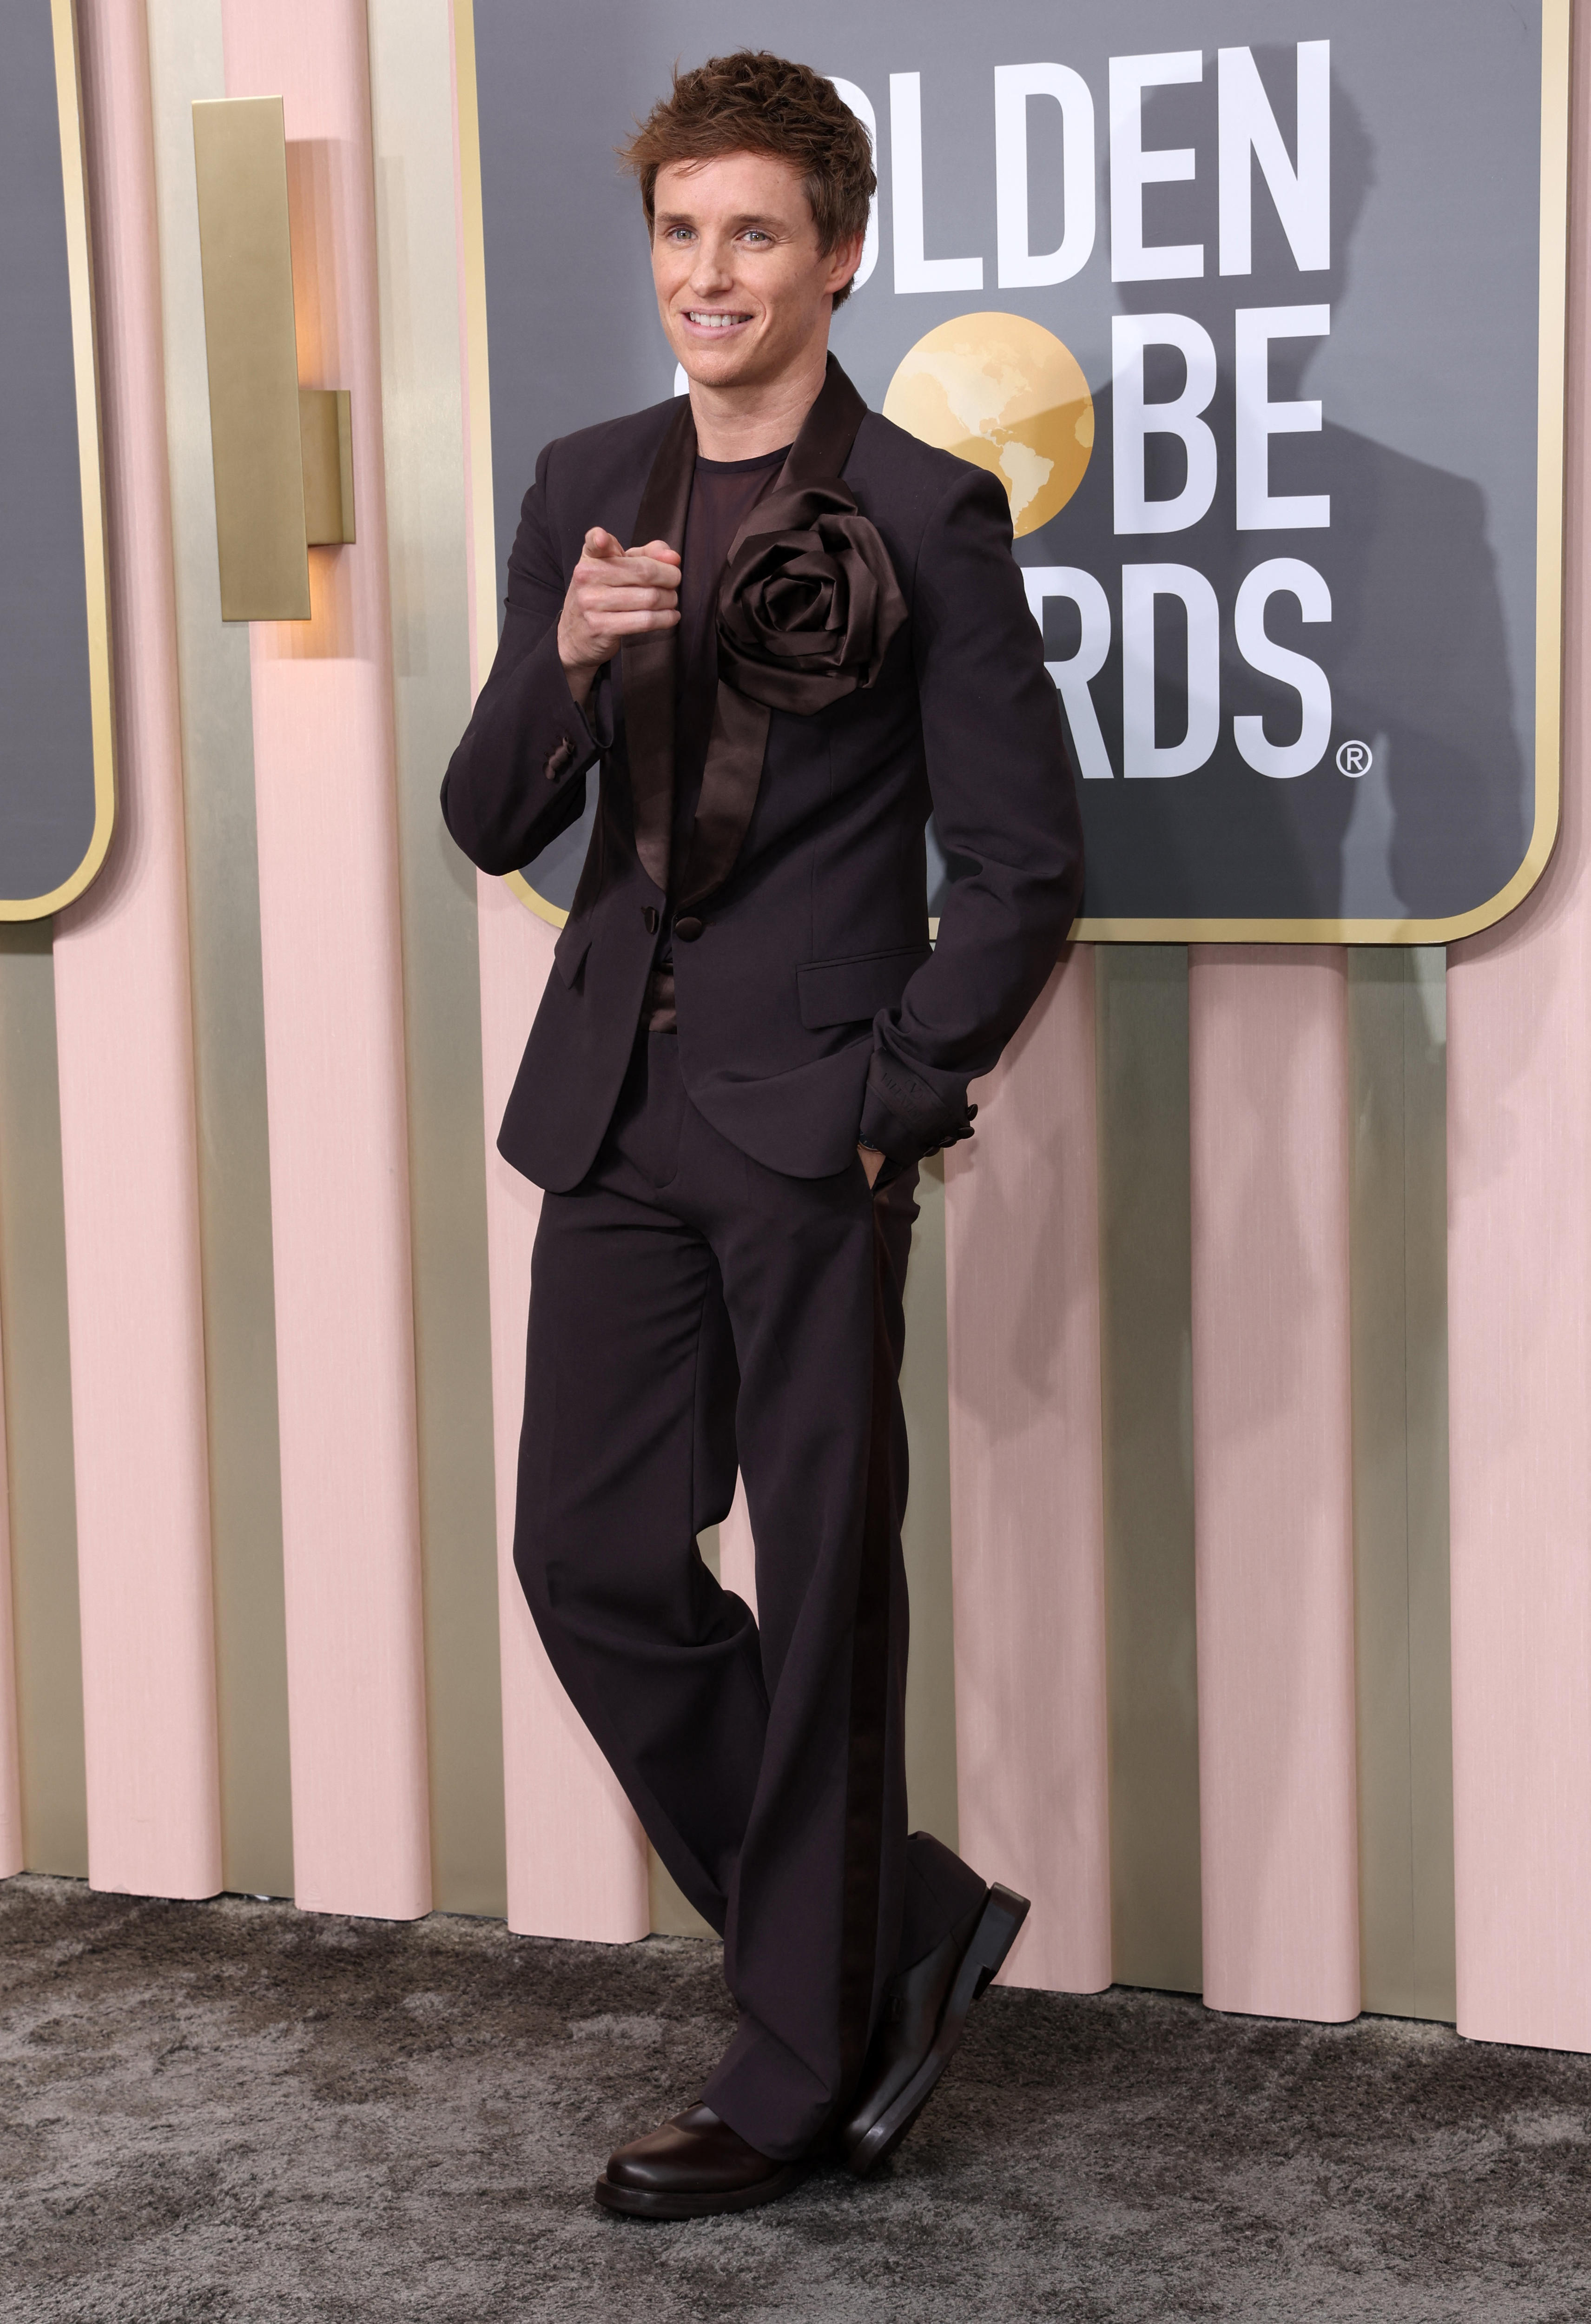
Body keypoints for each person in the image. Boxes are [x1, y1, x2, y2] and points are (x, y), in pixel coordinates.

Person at [442, 49, 1083, 2220]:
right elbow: (488, 813)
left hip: (813, 1127)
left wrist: (894, 1105)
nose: (706, 274)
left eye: (752, 236)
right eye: (679, 233)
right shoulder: (587, 479)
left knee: (821, 1593)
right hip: (614, 1103)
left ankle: (798, 2064)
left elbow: (1018, 865)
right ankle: (884, 1918)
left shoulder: (921, 512)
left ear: (837, 256)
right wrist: (564, 650)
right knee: (591, 1558)